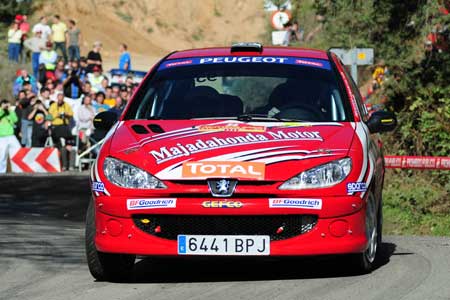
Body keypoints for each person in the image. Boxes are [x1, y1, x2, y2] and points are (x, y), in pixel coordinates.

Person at [49, 93, 75, 171]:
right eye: (59, 99)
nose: (60, 100)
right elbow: (48, 117)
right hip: (56, 127)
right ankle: (64, 165)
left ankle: (70, 166)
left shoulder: (67, 105)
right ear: (57, 98)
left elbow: (71, 114)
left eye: (61, 99)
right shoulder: (53, 106)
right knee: (62, 147)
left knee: (70, 147)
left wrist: (66, 114)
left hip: (65, 127)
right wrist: (56, 115)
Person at [0, 99, 21, 173]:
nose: (5, 105)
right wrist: (2, 109)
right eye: (4, 104)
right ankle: (1, 172)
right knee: (2, 155)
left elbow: (15, 120)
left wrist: (10, 110)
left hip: (11, 136)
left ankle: (18, 171)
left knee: (18, 151)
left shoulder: (10, 112)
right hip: (2, 137)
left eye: (6, 104)